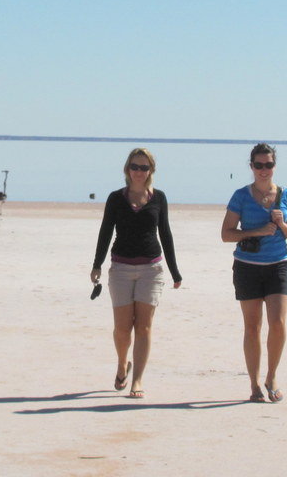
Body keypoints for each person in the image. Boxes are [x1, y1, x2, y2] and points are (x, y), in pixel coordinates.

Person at [90, 148, 183, 398]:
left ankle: (138, 380)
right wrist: (97, 264)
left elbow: (165, 234)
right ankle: (123, 364)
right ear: (127, 169)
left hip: (151, 269)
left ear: (151, 171)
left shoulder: (159, 198)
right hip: (120, 268)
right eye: (135, 167)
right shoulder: (115, 198)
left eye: (144, 167)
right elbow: (105, 231)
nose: (139, 172)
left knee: (144, 327)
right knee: (122, 329)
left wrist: (175, 271)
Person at [221, 143, 287, 403]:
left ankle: (272, 377)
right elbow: (226, 234)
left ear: (274, 166)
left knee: (278, 324)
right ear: (252, 166)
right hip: (247, 266)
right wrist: (256, 231)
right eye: (259, 165)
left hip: (278, 265)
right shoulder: (241, 196)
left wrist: (281, 224)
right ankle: (254, 384)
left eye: (268, 164)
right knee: (252, 327)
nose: (263, 169)